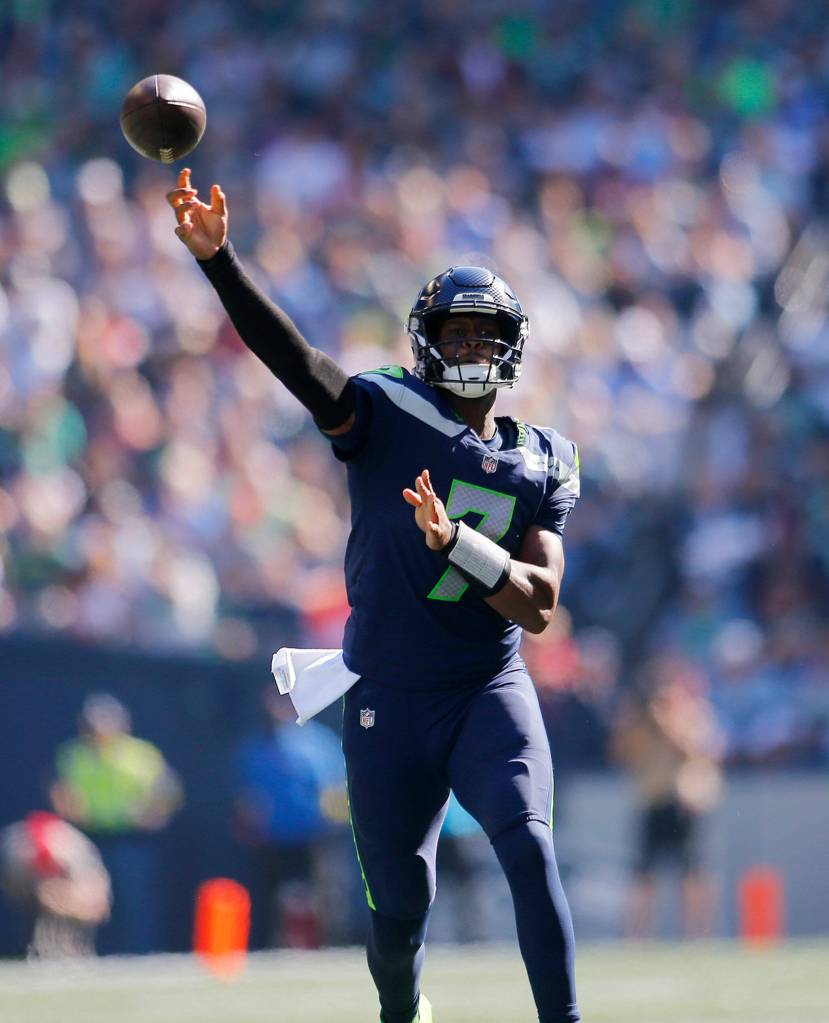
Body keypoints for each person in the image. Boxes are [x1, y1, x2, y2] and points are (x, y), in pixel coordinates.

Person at [167, 167, 581, 1023]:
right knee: (398, 912)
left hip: (483, 686)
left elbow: (538, 605)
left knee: (529, 847)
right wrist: (220, 263)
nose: (468, 349)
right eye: (453, 334)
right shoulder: (387, 411)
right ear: (426, 342)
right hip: (387, 697)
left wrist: (457, 544)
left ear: (509, 345)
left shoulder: (544, 457)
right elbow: (297, 362)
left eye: (482, 335)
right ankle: (402, 1012)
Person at [49, 693, 183, 954]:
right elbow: (59, 787)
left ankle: (140, 952)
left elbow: (170, 789)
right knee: (87, 900)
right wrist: (67, 804)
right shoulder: (74, 754)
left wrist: (154, 813)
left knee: (134, 900)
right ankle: (89, 953)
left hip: (130, 838)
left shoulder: (140, 753)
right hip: (90, 838)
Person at [611, 654, 724, 939]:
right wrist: (634, 723)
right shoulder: (640, 721)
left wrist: (669, 723)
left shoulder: (694, 713)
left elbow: (701, 751)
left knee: (692, 873)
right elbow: (620, 754)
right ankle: (637, 936)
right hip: (652, 801)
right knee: (643, 875)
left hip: (685, 802)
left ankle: (697, 935)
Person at [234, 686, 347, 949]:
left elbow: (337, 787)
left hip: (314, 835)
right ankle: (274, 947)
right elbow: (248, 794)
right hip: (273, 837)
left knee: (320, 896)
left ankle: (324, 946)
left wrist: (332, 822)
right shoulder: (257, 746)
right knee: (273, 897)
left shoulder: (318, 742)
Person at [0, 811, 111, 959]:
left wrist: (69, 903)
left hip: (70, 884)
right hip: (24, 880)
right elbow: (26, 891)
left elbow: (99, 907)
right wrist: (47, 895)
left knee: (79, 909)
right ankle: (31, 951)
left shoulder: (75, 853)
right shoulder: (15, 856)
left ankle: (78, 950)